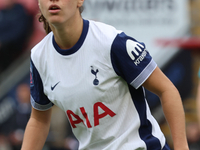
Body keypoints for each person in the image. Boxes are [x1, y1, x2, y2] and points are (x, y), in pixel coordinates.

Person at [21, 0, 189, 150]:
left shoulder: (112, 42)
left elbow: (167, 90)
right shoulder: (38, 57)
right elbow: (39, 121)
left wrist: (181, 147)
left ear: (80, 1)